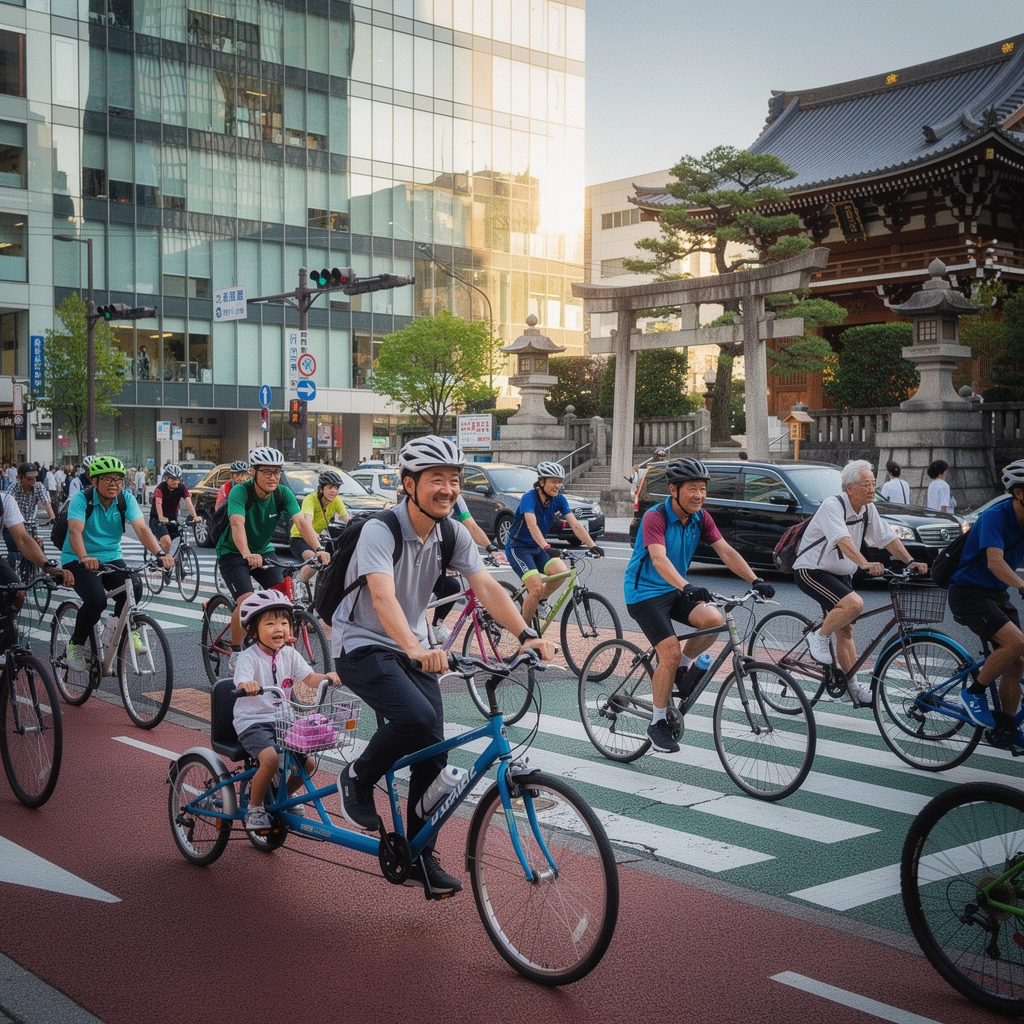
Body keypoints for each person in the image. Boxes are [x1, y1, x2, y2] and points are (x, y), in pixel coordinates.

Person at [333, 436, 555, 898]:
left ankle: (420, 855)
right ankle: (357, 776)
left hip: (413, 647)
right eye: (437, 479)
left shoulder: (449, 532)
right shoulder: (382, 530)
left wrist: (526, 634)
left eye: (454, 481)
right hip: (361, 646)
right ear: (409, 484)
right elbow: (381, 596)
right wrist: (415, 646)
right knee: (415, 717)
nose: (448, 489)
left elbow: (487, 588)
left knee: (434, 751)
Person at [624, 458, 775, 753]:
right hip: (644, 593)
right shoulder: (655, 517)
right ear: (674, 490)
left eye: (703, 489)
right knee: (667, 652)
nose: (699, 495)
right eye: (692, 488)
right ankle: (657, 723)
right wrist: (687, 586)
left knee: (712, 620)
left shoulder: (700, 518)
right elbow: (658, 558)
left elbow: (726, 551)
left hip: (676, 587)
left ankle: (682, 667)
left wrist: (755, 580)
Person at [793, 460, 928, 705]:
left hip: (840, 572)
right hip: (812, 570)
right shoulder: (832, 506)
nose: (871, 489)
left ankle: (850, 688)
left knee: (846, 629)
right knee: (854, 605)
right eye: (866, 484)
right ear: (850, 488)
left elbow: (887, 537)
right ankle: (818, 637)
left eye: (874, 484)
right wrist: (865, 564)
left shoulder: (867, 509)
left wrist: (910, 561)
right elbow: (842, 539)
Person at [232, 590, 342, 831]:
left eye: (284, 622)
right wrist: (247, 685)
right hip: (253, 722)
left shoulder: (290, 654)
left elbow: (310, 677)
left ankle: (282, 796)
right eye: (270, 623)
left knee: (309, 763)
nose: (279, 628)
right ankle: (255, 807)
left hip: (283, 720)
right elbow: (241, 681)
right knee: (270, 759)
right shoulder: (248, 658)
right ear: (253, 630)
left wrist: (327, 677)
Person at [215, 447, 328, 670]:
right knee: (246, 601)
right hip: (233, 552)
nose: (273, 477)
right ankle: (236, 652)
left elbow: (302, 522)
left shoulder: (282, 493)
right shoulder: (241, 492)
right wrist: (246, 553)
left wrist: (318, 548)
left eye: (277, 472)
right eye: (266, 472)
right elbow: (237, 523)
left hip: (264, 550)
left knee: (281, 597)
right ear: (253, 472)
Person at [61, 457, 174, 672]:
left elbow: (141, 529)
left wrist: (160, 553)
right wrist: (84, 557)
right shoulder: (82, 500)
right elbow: (75, 531)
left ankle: (116, 628)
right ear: (94, 481)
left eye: (119, 479)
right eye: (107, 479)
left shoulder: (126, 500)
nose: (114, 483)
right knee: (96, 600)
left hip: (111, 557)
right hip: (77, 558)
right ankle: (75, 645)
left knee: (135, 585)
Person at [948, 460, 1024, 729]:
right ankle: (974, 692)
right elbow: (995, 562)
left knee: (1017, 662)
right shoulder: (996, 516)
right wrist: (1021, 585)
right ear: (1019, 493)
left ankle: (1007, 726)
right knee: (1016, 643)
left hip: (995, 594)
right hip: (968, 593)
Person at [504, 461, 605, 626]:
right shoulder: (529, 498)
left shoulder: (559, 499)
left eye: (560, 481)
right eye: (553, 481)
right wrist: (546, 546)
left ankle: (541, 601)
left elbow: (575, 525)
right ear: (542, 482)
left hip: (538, 548)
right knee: (535, 588)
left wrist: (592, 545)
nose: (557, 485)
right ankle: (524, 632)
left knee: (561, 572)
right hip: (519, 548)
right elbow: (531, 525)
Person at [290, 469, 351, 587]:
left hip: (317, 540)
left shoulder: (336, 501)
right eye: (330, 487)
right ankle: (298, 583)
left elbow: (347, 519)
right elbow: (307, 522)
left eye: (336, 488)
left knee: (332, 561)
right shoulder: (310, 499)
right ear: (321, 489)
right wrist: (315, 533)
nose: (334, 491)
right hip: (299, 538)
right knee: (315, 561)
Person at [4, 463, 55, 569]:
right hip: (15, 525)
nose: (33, 480)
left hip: (31, 524)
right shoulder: (13, 488)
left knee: (38, 548)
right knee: (13, 551)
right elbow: (6, 504)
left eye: (34, 477)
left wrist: (52, 518)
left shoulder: (38, 486)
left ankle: (42, 572)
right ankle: (14, 574)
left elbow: (46, 503)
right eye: (29, 478)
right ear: (20, 477)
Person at [150, 464, 201, 557]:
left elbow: (188, 502)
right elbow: (158, 503)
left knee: (177, 541)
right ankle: (161, 568)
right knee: (167, 542)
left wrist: (195, 516)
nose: (175, 481)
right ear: (166, 478)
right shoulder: (160, 489)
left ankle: (175, 562)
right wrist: (161, 517)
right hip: (157, 518)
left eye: (177, 479)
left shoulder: (182, 487)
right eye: (173, 479)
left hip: (172, 517)